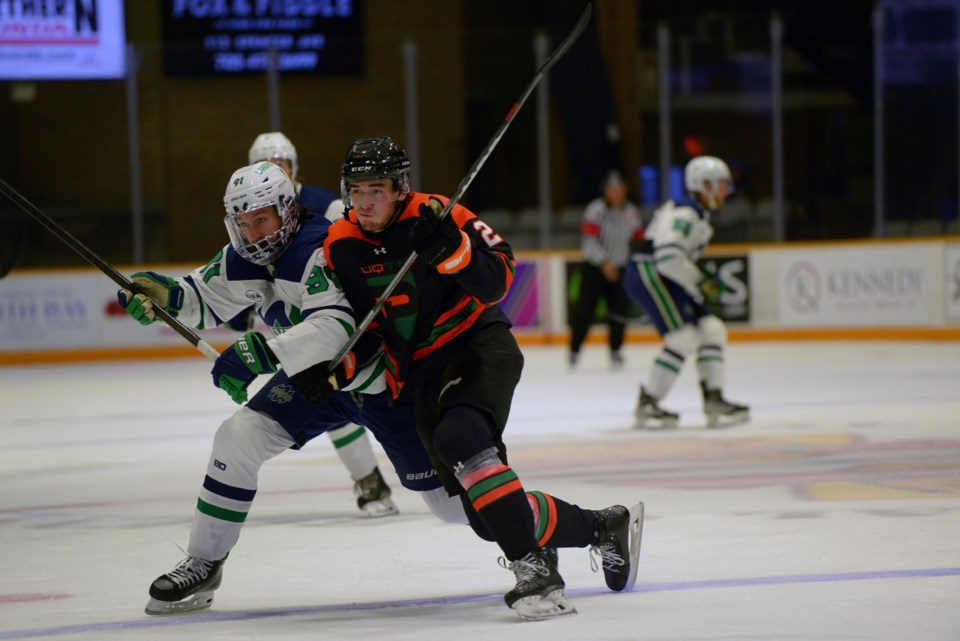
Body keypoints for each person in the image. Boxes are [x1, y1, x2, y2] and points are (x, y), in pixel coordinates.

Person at [117, 162, 466, 615]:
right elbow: (203, 297)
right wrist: (166, 297)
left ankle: (534, 529)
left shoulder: (318, 247)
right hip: (311, 383)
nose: (251, 232)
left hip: (375, 382)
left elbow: (335, 327)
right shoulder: (242, 255)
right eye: (241, 223)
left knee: (448, 504)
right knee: (238, 436)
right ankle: (204, 563)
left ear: (287, 210)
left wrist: (259, 352)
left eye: (260, 219)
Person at [324, 136, 644, 620]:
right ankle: (602, 526)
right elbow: (362, 330)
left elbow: (497, 280)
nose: (366, 202)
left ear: (400, 187)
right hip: (420, 375)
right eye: (357, 190)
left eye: (377, 189)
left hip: (477, 344)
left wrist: (453, 252)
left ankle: (535, 569)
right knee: (483, 516)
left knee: (461, 436)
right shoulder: (340, 244)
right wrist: (334, 369)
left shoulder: (438, 213)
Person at [244, 132, 395, 517]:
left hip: (340, 320)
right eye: (268, 164)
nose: (277, 171)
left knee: (370, 399)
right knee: (327, 398)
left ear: (294, 167)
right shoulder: (252, 213)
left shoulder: (323, 203)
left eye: (282, 164)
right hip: (296, 328)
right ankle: (370, 479)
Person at [622, 155, 750, 429]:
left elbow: (673, 258)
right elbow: (668, 257)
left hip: (660, 272)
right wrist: (701, 282)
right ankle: (649, 401)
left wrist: (699, 279)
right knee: (683, 336)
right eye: (721, 184)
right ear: (703, 184)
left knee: (712, 329)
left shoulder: (695, 213)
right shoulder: (686, 212)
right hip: (650, 271)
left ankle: (714, 398)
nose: (726, 190)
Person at [569, 170, 645, 369]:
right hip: (595, 269)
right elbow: (589, 240)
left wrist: (628, 263)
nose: (616, 193)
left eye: (619, 189)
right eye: (612, 189)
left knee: (619, 311)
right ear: (606, 191)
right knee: (585, 311)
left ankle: (616, 350)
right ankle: (575, 350)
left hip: (620, 270)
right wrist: (604, 263)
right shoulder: (595, 209)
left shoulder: (631, 212)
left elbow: (637, 241)